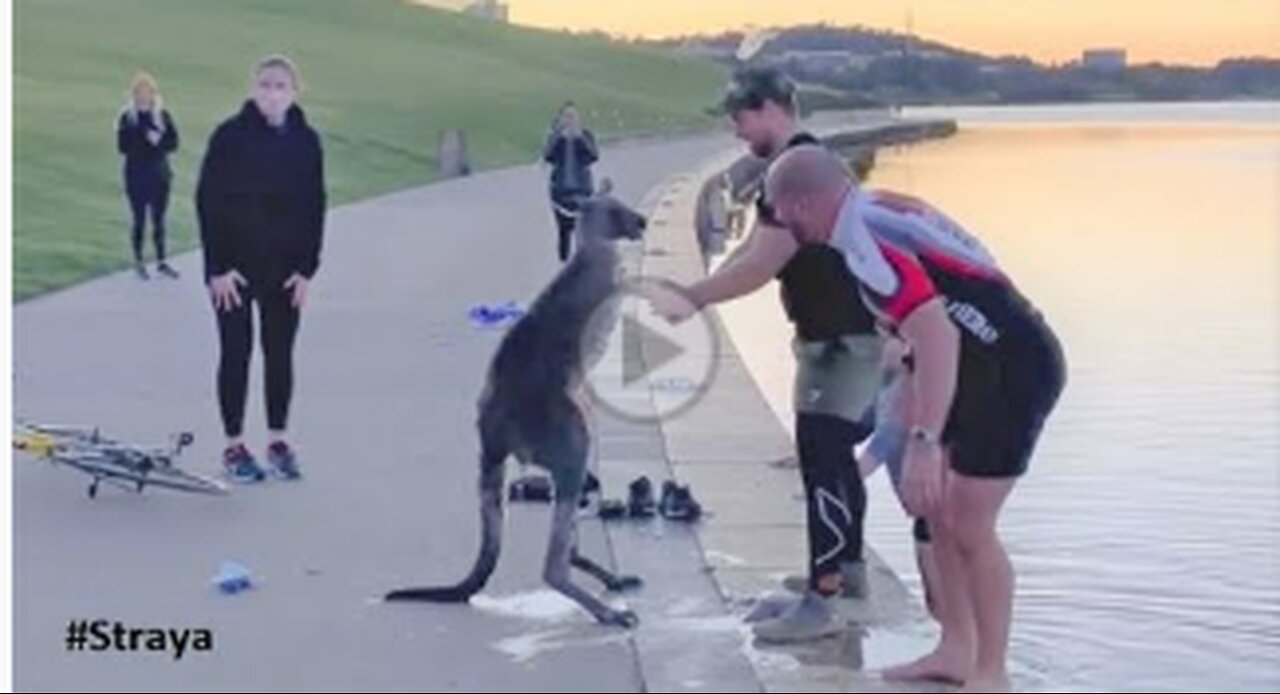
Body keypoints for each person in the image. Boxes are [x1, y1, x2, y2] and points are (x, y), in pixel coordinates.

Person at [764, 145, 1067, 692]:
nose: (779, 222)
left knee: (970, 526)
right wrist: (903, 423)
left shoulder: (866, 238)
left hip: (1013, 368)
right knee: (939, 512)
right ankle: (956, 650)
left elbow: (937, 332)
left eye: (778, 209)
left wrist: (924, 441)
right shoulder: (875, 212)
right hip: (974, 365)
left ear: (803, 202)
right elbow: (917, 338)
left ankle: (991, 675)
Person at [645, 67, 887, 643]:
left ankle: (824, 600)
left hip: (844, 343)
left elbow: (761, 264)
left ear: (772, 109)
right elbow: (754, 249)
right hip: (837, 339)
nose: (735, 131)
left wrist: (692, 298)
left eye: (740, 117)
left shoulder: (796, 171)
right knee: (827, 457)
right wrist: (699, 288)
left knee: (823, 458)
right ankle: (844, 577)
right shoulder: (802, 164)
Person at [196, 54, 326, 483]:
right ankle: (234, 446)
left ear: (294, 92)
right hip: (234, 271)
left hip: (284, 271)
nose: (272, 93)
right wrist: (217, 268)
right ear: (254, 89)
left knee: (280, 354)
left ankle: (277, 440)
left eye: (280, 86)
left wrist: (307, 270)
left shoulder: (306, 142)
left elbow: (315, 207)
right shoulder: (229, 138)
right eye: (265, 85)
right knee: (236, 354)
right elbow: (208, 202)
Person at [117, 72, 179, 280]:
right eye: (140, 92)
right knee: (139, 220)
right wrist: (143, 139)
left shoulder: (162, 116)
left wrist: (158, 141)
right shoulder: (128, 117)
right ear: (134, 95)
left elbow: (173, 143)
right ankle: (139, 261)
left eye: (148, 92)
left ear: (154, 94)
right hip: (136, 175)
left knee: (159, 220)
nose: (144, 96)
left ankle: (161, 260)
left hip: (159, 175)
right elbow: (122, 146)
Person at [542, 102, 599, 261]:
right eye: (566, 116)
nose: (570, 120)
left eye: (573, 116)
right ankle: (564, 264)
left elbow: (593, 156)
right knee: (564, 232)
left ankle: (581, 268)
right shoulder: (556, 136)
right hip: (560, 192)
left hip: (583, 190)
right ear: (561, 119)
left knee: (583, 231)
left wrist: (580, 139)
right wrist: (560, 139)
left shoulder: (586, 135)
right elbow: (548, 157)